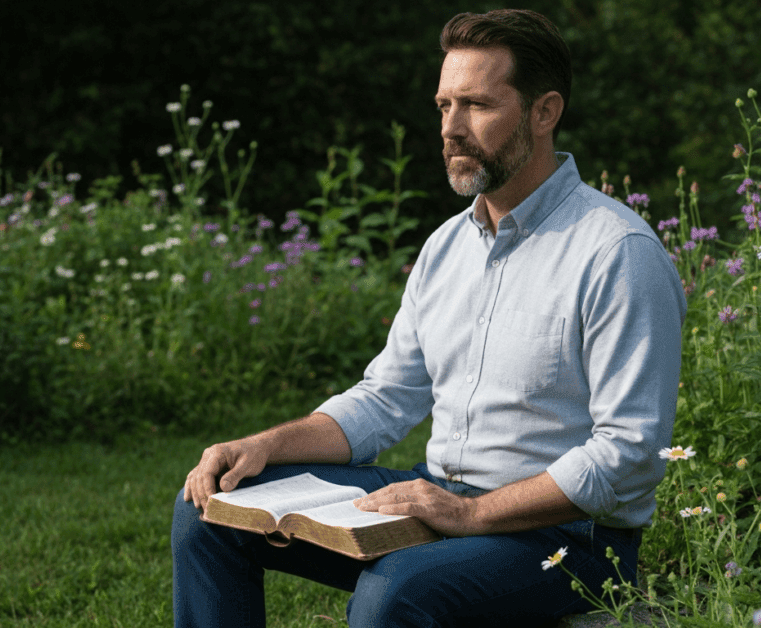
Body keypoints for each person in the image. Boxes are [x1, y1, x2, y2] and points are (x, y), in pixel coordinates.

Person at [171, 8, 687, 627]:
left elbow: (629, 454)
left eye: (476, 105)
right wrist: (261, 445)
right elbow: (386, 397)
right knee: (213, 509)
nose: (451, 128)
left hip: (567, 539)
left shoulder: (616, 253)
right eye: (444, 106)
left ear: (544, 112)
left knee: (396, 592)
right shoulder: (447, 245)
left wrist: (470, 514)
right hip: (438, 497)